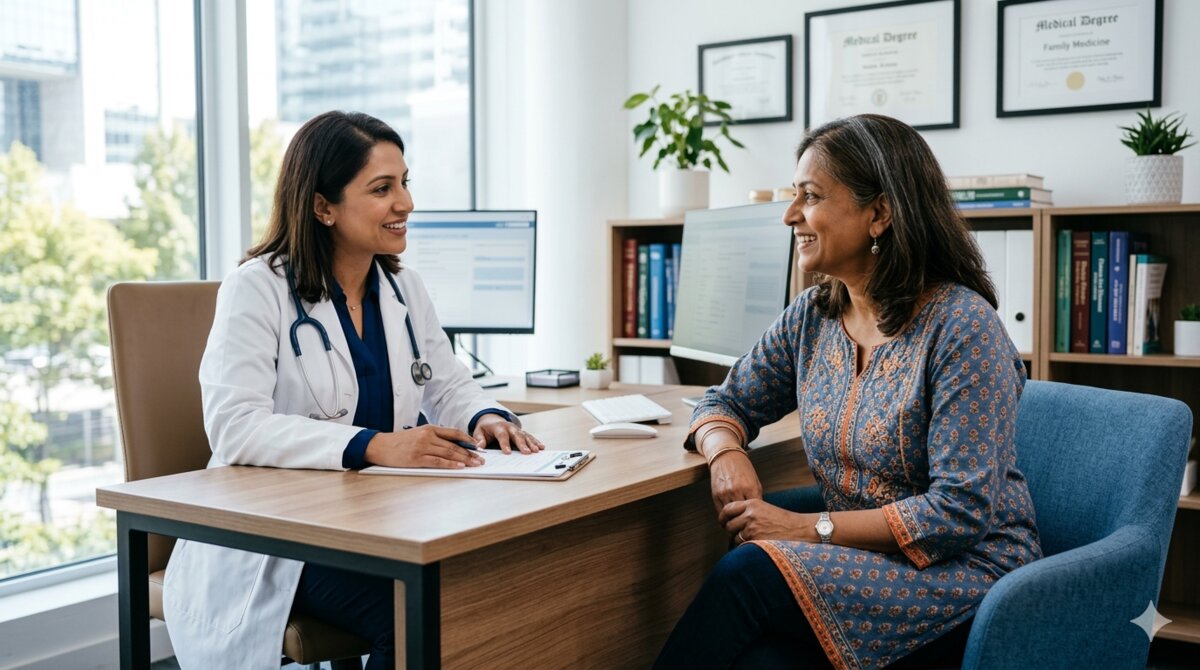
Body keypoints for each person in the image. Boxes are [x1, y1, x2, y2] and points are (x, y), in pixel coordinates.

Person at [655, 114, 1042, 670]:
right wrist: (725, 452)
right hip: (858, 565)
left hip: (965, 575)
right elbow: (726, 400)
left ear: (879, 213)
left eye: (809, 197)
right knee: (760, 664)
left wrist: (804, 529)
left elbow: (959, 511)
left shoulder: (962, 327)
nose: (791, 216)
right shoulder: (815, 314)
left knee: (752, 573)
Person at [162, 111, 543, 670]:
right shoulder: (258, 288)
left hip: (382, 520)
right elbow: (234, 425)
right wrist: (375, 445)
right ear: (323, 206)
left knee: (489, 585)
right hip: (282, 539)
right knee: (424, 615)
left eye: (405, 183)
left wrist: (485, 415)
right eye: (382, 188)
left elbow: (447, 380)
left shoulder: (401, 286)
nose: (406, 203)